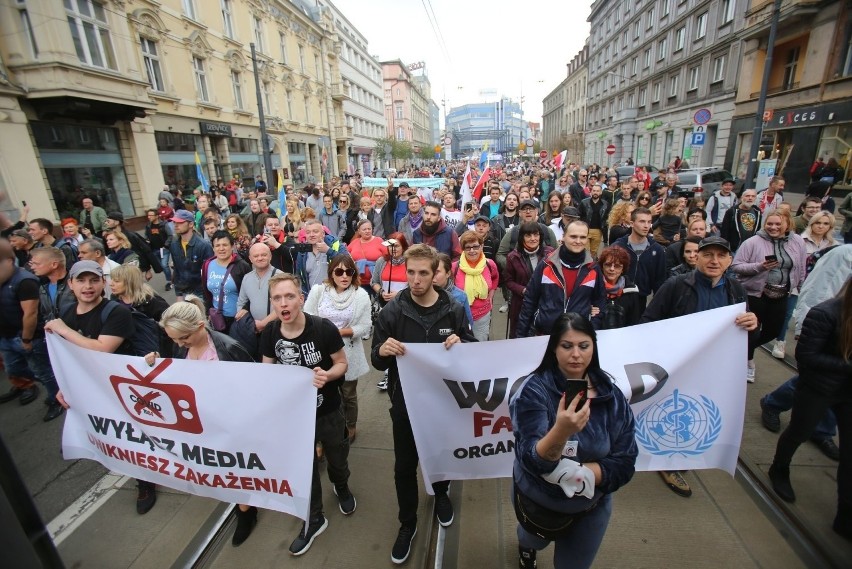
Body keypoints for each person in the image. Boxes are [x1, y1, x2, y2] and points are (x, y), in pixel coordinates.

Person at [371, 244, 476, 564]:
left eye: (423, 273)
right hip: (405, 403)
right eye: (410, 273)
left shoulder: (454, 310)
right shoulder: (391, 312)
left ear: (436, 274)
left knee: (441, 454)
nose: (415, 280)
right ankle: (408, 523)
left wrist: (461, 344)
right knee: (404, 466)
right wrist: (383, 350)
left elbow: (473, 352)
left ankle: (441, 493)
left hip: (443, 402)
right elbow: (376, 359)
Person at [509, 313, 637, 569]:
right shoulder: (534, 391)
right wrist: (561, 431)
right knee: (532, 539)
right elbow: (532, 460)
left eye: (584, 346)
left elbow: (626, 461)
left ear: (594, 348)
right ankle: (527, 546)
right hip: (539, 503)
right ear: (554, 349)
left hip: (592, 508)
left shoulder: (612, 397)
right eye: (567, 346)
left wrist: (584, 473)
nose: (576, 354)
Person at [641, 236, 758, 498]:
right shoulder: (676, 286)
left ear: (729, 260)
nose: (714, 261)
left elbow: (746, 338)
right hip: (679, 365)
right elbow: (648, 321)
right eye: (708, 255)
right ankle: (668, 462)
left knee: (697, 412)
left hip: (714, 368)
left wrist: (754, 325)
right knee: (672, 411)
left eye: (720, 255)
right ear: (697, 257)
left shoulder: (736, 291)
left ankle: (682, 456)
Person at [44, 261, 154, 512]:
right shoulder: (69, 313)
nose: (88, 286)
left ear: (102, 283)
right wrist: (65, 386)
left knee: (138, 434)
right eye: (81, 281)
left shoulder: (115, 312)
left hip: (125, 388)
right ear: (70, 284)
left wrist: (62, 329)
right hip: (94, 390)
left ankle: (147, 479)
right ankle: (137, 473)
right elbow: (69, 358)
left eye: (93, 280)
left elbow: (103, 349)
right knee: (115, 436)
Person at [144, 297, 256, 544]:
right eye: (174, 339)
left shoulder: (230, 348)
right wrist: (155, 363)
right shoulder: (177, 345)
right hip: (200, 423)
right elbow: (173, 373)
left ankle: (246, 511)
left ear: (199, 326)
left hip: (230, 422)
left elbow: (253, 387)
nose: (179, 343)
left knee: (236, 468)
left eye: (183, 338)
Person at [260, 272, 354, 556]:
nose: (283, 303)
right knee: (304, 468)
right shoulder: (270, 333)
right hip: (295, 418)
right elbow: (267, 371)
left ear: (300, 299)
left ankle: (341, 486)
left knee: (337, 456)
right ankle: (314, 519)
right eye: (277, 298)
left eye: (289, 296)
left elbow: (342, 364)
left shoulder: (323, 328)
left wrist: (327, 375)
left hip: (328, 410)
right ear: (272, 303)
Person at [767, 281, 852, 542]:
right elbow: (806, 356)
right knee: (798, 432)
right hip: (818, 388)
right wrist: (848, 365)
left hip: (847, 392)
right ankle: (779, 468)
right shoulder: (825, 313)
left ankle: (846, 512)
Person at [731, 212, 807, 382]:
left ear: (788, 224)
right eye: (770, 224)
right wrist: (760, 266)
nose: (773, 227)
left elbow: (801, 266)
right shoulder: (752, 242)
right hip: (756, 294)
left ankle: (740, 352)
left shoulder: (797, 242)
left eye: (778, 224)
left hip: (782, 294)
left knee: (773, 330)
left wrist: (801, 286)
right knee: (752, 332)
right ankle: (748, 361)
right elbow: (736, 266)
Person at [305, 255, 371, 442]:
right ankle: (324, 433)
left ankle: (350, 426)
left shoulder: (360, 295)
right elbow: (308, 317)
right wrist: (325, 335)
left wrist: (338, 333)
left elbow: (365, 326)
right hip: (322, 351)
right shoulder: (319, 291)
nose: (344, 276)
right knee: (323, 394)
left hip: (348, 351)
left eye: (349, 272)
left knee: (348, 394)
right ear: (331, 273)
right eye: (339, 271)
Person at [517, 221, 605, 337]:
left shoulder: (593, 269)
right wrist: (520, 337)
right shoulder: (546, 265)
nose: (578, 241)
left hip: (578, 337)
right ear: (563, 237)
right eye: (573, 236)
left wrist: (592, 328)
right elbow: (529, 301)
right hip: (545, 334)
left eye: (582, 237)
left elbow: (600, 303)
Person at [504, 222, 555, 339]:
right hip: (522, 304)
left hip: (546, 303)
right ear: (522, 238)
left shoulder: (550, 253)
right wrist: (523, 290)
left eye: (536, 235)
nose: (533, 239)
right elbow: (508, 281)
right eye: (528, 235)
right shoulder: (513, 257)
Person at [612, 207, 667, 309]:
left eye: (649, 222)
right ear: (632, 223)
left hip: (641, 299)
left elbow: (660, 280)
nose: (646, 226)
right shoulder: (618, 247)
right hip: (617, 297)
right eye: (642, 221)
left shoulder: (657, 250)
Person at [452, 231, 499, 342]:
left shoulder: (489, 264)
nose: (472, 251)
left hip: (482, 314)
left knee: (479, 345)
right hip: (460, 315)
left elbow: (495, 278)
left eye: (475, 247)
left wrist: (491, 295)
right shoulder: (454, 267)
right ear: (463, 249)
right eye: (468, 248)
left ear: (481, 246)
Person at [201, 231, 250, 334]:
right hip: (216, 317)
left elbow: (252, 293)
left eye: (225, 245)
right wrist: (208, 311)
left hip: (237, 318)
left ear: (232, 246)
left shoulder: (242, 266)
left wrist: (245, 309)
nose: (221, 248)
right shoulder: (207, 265)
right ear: (213, 248)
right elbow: (206, 292)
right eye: (217, 245)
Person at [295, 219, 349, 295]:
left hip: (336, 296)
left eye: (315, 231)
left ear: (323, 233)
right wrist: (307, 296)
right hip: (313, 298)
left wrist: (328, 251)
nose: (311, 235)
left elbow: (348, 264)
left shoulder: (335, 245)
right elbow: (298, 277)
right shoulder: (302, 252)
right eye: (308, 232)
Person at [169, 210, 214, 301]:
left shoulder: (204, 246)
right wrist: (179, 294)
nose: (176, 225)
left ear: (191, 224)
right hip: (184, 292)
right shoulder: (174, 245)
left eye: (180, 222)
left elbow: (210, 274)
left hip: (201, 293)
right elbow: (177, 271)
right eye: (174, 222)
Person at [103, 212, 162, 279]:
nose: (106, 223)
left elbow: (145, 251)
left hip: (136, 270)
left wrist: (147, 270)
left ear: (117, 222)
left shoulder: (131, 236)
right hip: (120, 274)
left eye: (108, 221)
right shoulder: (109, 237)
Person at [598, 245, 644, 329]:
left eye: (617, 266)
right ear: (602, 266)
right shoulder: (593, 288)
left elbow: (634, 322)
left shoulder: (631, 291)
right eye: (608, 265)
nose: (612, 269)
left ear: (623, 269)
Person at [433, 252, 473, 331]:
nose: (432, 275)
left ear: (448, 273)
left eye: (437, 272)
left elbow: (468, 325)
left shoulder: (460, 296)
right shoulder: (421, 295)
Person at [349, 219, 386, 288]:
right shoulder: (354, 242)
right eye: (364, 229)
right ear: (359, 231)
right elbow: (346, 256)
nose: (367, 231)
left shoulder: (379, 240)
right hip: (358, 281)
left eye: (369, 229)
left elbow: (387, 258)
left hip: (377, 281)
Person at [145, 208, 173, 290]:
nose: (149, 217)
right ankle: (172, 277)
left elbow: (170, 235)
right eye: (148, 215)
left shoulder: (164, 224)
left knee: (164, 265)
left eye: (151, 215)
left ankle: (170, 281)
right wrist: (147, 240)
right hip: (154, 249)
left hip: (164, 249)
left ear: (157, 216)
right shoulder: (148, 225)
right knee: (160, 266)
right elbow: (146, 235)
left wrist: (166, 245)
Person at [578, 184, 608, 257]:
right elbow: (579, 215)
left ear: (601, 192)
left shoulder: (605, 204)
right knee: (585, 250)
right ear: (591, 192)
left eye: (597, 191)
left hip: (598, 231)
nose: (595, 192)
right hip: (586, 229)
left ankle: (591, 266)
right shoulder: (584, 202)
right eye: (594, 190)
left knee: (593, 252)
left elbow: (606, 219)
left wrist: (605, 237)